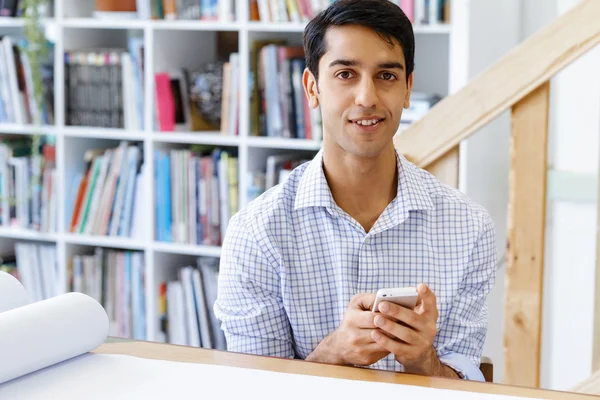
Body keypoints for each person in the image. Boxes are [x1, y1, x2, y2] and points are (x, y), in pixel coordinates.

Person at [214, 0, 497, 381]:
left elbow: (464, 384)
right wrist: (334, 353)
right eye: (346, 74)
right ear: (312, 88)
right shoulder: (256, 232)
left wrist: (422, 361)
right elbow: (253, 388)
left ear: (408, 88)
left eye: (387, 76)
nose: (367, 97)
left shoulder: (469, 227)